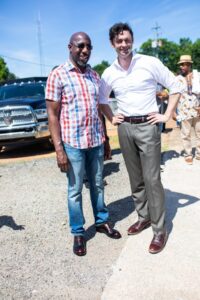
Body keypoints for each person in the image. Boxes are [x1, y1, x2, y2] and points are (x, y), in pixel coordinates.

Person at [99, 22, 182, 254]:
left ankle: (159, 229)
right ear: (112, 44)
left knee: (152, 179)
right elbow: (102, 99)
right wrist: (111, 118)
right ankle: (143, 217)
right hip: (125, 128)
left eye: (127, 40)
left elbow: (176, 85)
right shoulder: (109, 72)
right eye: (119, 41)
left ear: (132, 40)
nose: (123, 44)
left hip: (148, 125)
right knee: (136, 179)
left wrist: (166, 114)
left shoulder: (149, 62)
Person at [45, 32, 121, 257]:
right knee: (75, 190)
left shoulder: (94, 76)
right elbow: (52, 115)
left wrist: (106, 139)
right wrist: (59, 149)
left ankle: (101, 221)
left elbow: (99, 110)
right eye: (80, 46)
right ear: (70, 47)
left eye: (89, 46)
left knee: (97, 184)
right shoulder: (58, 75)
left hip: (95, 141)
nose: (85, 50)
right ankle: (78, 232)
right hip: (73, 144)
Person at [174, 55, 200, 164]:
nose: (181, 66)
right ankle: (188, 154)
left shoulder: (198, 76)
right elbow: (174, 95)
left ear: (189, 65)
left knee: (199, 132)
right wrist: (173, 111)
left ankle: (199, 153)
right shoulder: (177, 79)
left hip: (197, 109)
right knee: (185, 134)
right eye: (180, 64)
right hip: (183, 111)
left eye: (183, 64)